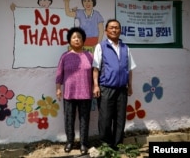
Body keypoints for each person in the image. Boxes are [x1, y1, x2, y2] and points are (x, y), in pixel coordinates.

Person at [92, 19, 136, 150]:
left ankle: (118, 145)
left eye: (116, 28)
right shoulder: (101, 47)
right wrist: (96, 85)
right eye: (111, 28)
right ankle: (106, 146)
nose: (114, 30)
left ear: (120, 30)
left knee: (120, 119)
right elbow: (96, 68)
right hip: (106, 88)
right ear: (106, 31)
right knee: (105, 119)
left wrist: (130, 85)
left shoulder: (125, 48)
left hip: (122, 89)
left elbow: (129, 69)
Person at [56, 27, 93, 155]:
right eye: (74, 37)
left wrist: (95, 86)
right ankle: (70, 142)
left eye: (79, 37)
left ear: (83, 40)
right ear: (69, 40)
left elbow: (95, 74)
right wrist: (58, 89)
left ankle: (83, 143)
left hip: (86, 93)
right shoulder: (65, 56)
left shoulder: (89, 56)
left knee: (84, 120)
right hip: (69, 94)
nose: (77, 39)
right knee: (69, 119)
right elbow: (59, 74)